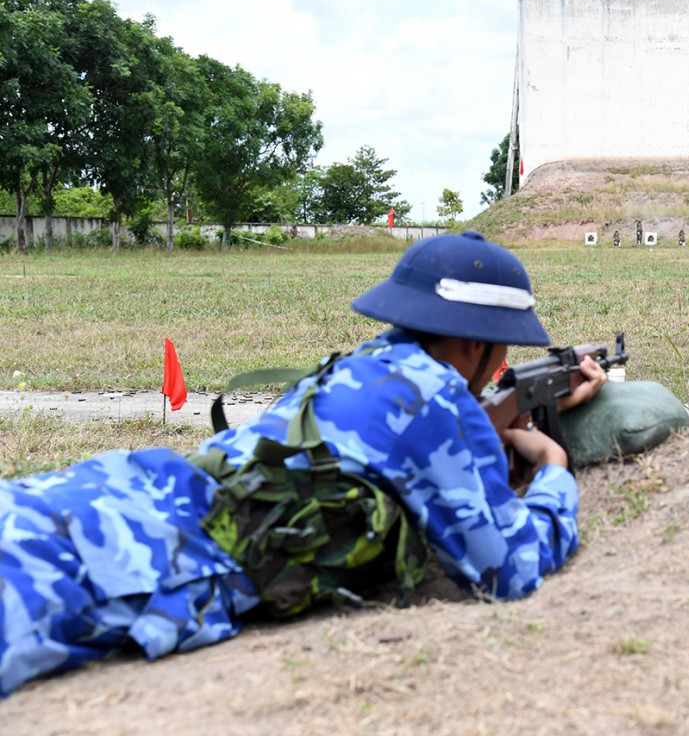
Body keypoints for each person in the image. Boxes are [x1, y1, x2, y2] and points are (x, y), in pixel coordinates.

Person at [0, 230, 606, 698]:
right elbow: (509, 571)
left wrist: (496, 424)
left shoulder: (353, 365)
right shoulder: (443, 402)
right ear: (477, 344)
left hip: (118, 489)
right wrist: (552, 468)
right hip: (148, 559)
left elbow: (400, 438)